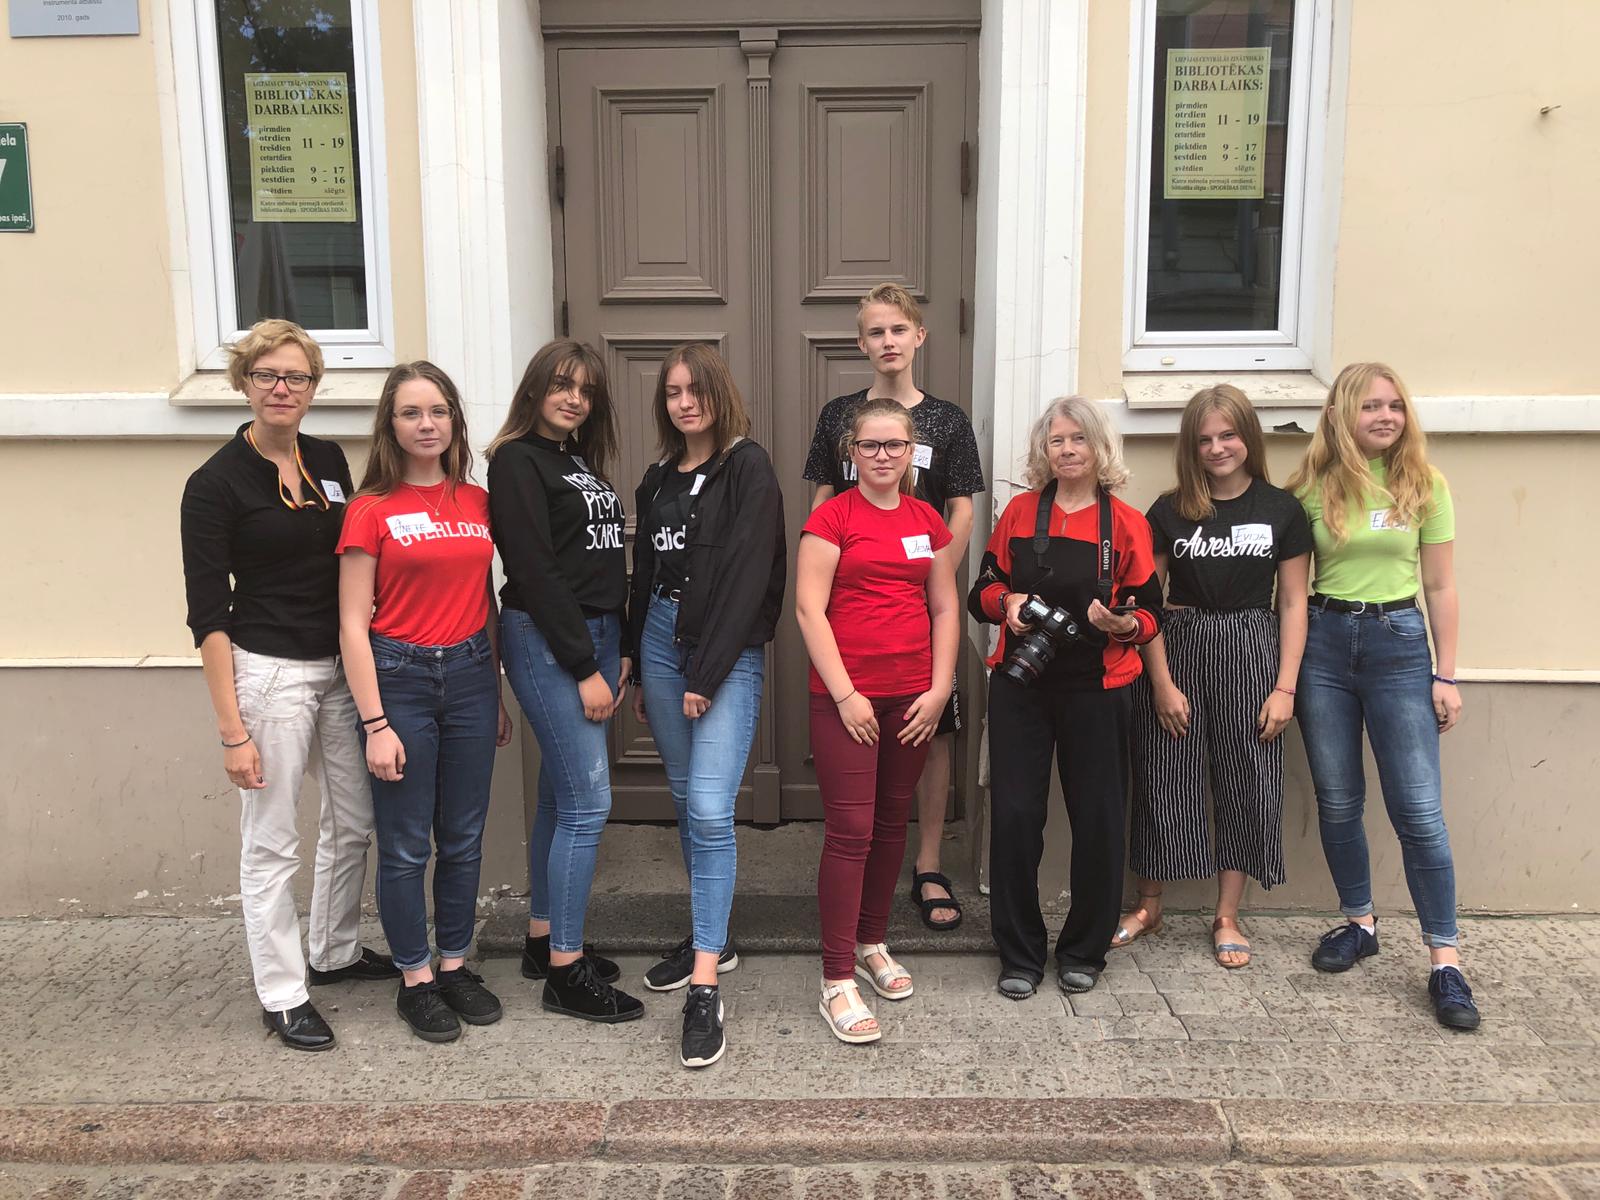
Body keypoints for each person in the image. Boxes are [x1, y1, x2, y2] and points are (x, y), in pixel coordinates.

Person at [180, 318, 396, 1053]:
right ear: (244, 382)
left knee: (355, 817)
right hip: (269, 673)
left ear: (313, 386)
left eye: (296, 376)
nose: (282, 388)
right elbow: (208, 614)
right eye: (268, 375)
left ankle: (332, 950)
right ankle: (282, 992)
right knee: (272, 842)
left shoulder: (328, 458)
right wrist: (231, 731)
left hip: (339, 666)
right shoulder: (213, 484)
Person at [1286, 362, 1479, 1031]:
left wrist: (1446, 675)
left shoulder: (1425, 483)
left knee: (1419, 810)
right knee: (1339, 799)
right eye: (1370, 405)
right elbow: (1291, 592)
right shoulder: (1309, 488)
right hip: (1324, 645)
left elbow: (1442, 586)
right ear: (1342, 414)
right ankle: (1360, 922)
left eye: (1395, 405)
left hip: (1398, 644)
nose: (1386, 416)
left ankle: (1445, 961)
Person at [337, 362, 513, 1042]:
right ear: (391, 424)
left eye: (438, 411)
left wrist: (495, 689)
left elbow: (486, 601)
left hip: (469, 676)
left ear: (454, 421)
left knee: (463, 836)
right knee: (407, 844)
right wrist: (375, 723)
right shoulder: (370, 509)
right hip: (400, 678)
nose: (427, 424)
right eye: (411, 412)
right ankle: (415, 978)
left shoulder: (476, 501)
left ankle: (455, 964)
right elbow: (352, 623)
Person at [803, 283, 984, 933]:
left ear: (919, 337)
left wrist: (934, 574)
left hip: (921, 600)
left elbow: (962, 507)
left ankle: (928, 862)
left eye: (898, 330)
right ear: (861, 343)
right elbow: (823, 498)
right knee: (859, 748)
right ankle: (857, 882)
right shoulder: (838, 416)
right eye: (876, 332)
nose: (888, 341)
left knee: (930, 730)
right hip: (857, 601)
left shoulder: (948, 420)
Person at [625, 342, 786, 1068]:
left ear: (719, 394)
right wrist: (637, 664)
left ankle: (703, 987)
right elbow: (645, 572)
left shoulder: (747, 467)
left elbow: (753, 577)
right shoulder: (658, 478)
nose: (685, 403)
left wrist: (708, 673)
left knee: (713, 809)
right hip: (660, 643)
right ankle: (710, 939)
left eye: (696, 390)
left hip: (721, 648)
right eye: (673, 392)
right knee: (688, 799)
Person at [970, 397, 1163, 1000]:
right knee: (1016, 817)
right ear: (1044, 451)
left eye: (1078, 439)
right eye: (1056, 440)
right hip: (1021, 685)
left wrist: (1123, 626)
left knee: (1098, 819)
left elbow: (1152, 614)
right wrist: (1008, 603)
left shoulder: (1126, 522)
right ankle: (1019, 952)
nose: (1068, 450)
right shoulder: (1020, 512)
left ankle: (1084, 949)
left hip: (1098, 688)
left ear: (1099, 447)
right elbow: (983, 590)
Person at [1113, 385, 1311, 968]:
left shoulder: (1282, 510)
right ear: (1190, 448)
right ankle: (1149, 904)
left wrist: (1286, 688)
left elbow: (1293, 602)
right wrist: (1160, 682)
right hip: (1178, 646)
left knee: (1246, 776)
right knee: (1161, 771)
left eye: (1228, 435)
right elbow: (1146, 601)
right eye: (1204, 440)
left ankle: (1227, 913)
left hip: (1251, 646)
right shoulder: (1169, 511)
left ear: (1248, 437)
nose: (1218, 448)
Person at [796, 398, 960, 1044]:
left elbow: (944, 608)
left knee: (893, 823)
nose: (883, 455)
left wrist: (940, 689)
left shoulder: (927, 520)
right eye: (870, 445)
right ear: (852, 453)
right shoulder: (832, 517)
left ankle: (871, 942)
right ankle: (836, 977)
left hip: (912, 701)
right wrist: (845, 695)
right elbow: (809, 610)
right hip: (850, 703)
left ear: (912, 452)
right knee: (851, 831)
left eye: (895, 445)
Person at [487, 339, 642, 1024]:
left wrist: (622, 644)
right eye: (560, 385)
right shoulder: (515, 460)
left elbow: (604, 561)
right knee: (588, 802)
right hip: (550, 641)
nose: (574, 398)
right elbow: (534, 569)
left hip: (597, 635)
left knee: (559, 791)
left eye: (584, 389)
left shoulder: (575, 461)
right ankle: (565, 974)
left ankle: (543, 938)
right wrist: (583, 666)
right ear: (534, 390)